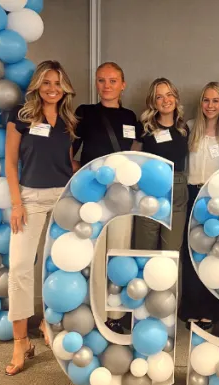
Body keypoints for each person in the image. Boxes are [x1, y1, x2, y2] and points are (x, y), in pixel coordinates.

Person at [5, 60, 79, 376]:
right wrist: (16, 203)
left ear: (64, 88)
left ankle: (49, 326)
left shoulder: (68, 121)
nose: (52, 89)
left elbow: (67, 162)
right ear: (37, 86)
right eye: (46, 83)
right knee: (20, 268)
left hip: (63, 198)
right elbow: (10, 163)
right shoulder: (20, 117)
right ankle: (20, 341)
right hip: (30, 199)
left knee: (56, 268)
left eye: (57, 83)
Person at [71, 62, 143, 334]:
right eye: (101, 80)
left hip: (122, 197)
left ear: (123, 84)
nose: (107, 85)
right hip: (91, 197)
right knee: (91, 253)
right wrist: (78, 176)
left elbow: (136, 157)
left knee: (118, 251)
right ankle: (91, 309)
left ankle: (113, 314)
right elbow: (71, 151)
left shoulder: (131, 117)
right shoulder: (85, 113)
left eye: (113, 80)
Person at [179, 82, 219, 331]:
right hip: (190, 194)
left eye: (215, 101)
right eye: (206, 100)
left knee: (211, 254)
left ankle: (209, 311)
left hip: (215, 199)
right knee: (190, 254)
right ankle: (190, 310)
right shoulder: (188, 128)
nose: (210, 105)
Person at [133, 77, 189, 262]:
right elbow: (133, 162)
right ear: (153, 102)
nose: (166, 100)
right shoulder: (144, 128)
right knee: (144, 249)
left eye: (169, 95)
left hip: (178, 192)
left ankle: (172, 291)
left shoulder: (183, 128)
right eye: (159, 97)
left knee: (172, 252)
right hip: (149, 192)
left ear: (176, 98)